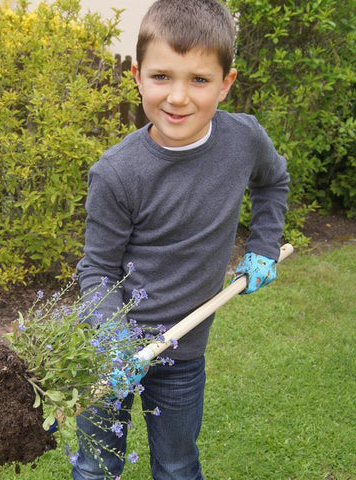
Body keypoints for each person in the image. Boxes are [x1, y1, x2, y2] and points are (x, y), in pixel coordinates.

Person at [73, 0, 290, 478]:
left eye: (198, 79)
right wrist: (112, 341)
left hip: (183, 353)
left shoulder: (243, 140)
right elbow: (96, 270)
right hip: (110, 348)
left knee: (176, 466)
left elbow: (273, 181)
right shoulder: (117, 173)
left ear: (226, 84)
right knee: (95, 468)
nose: (177, 97)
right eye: (161, 77)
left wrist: (263, 246)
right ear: (137, 76)